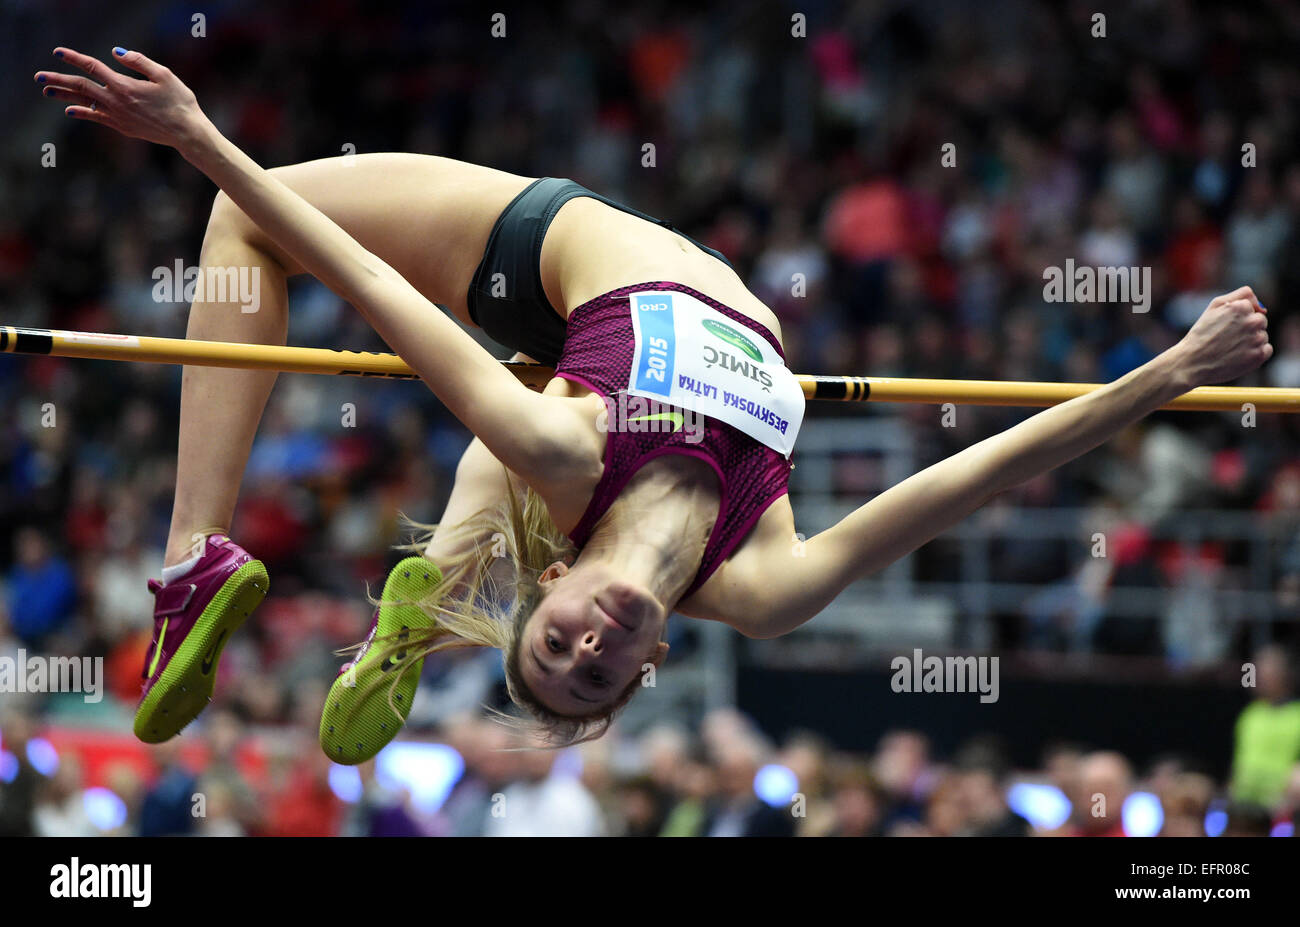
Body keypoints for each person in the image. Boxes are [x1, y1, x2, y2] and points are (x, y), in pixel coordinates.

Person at [35, 46, 1275, 759]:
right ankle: (422, 602)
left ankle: (194, 554)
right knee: (502, 451)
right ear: (654, 658)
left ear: (557, 590)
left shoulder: (555, 447)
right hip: (595, 341)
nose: (591, 642)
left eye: (556, 638)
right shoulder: (763, 583)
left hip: (540, 260)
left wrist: (201, 138)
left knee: (245, 217)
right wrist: (1166, 374)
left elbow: (358, 277)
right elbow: (981, 475)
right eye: (595, 674)